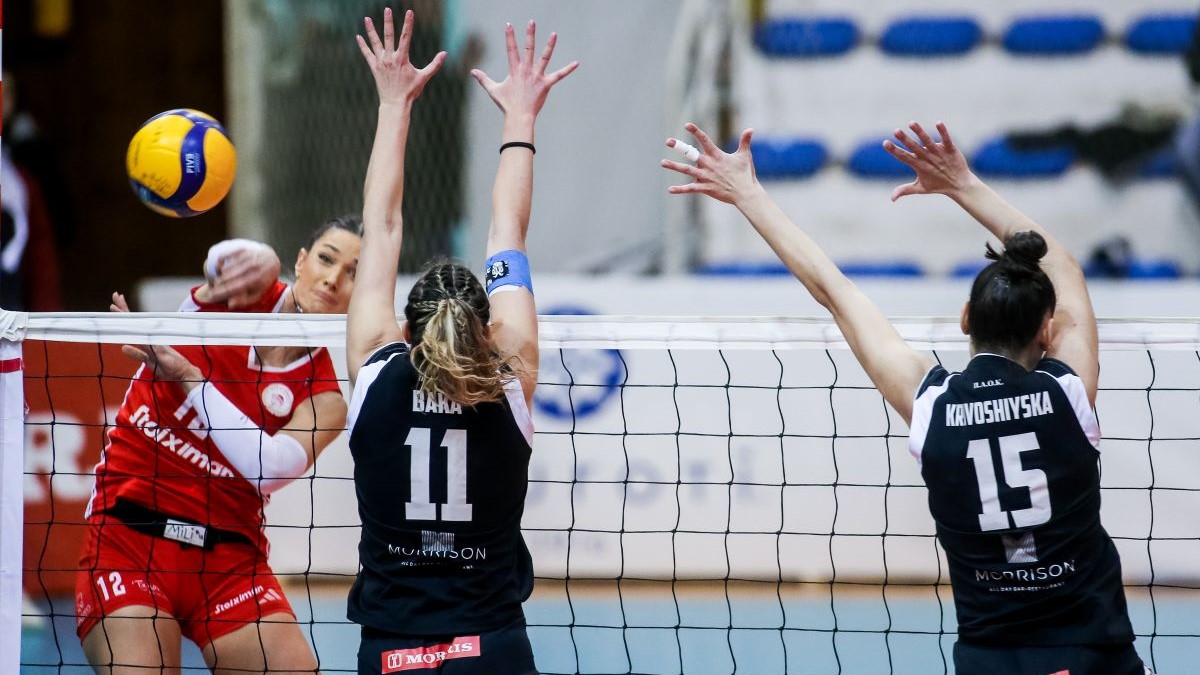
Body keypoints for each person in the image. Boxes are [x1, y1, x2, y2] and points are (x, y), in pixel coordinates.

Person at [661, 121, 1149, 675]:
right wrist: (963, 184)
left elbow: (834, 291)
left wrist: (749, 195)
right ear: (1046, 329)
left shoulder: (933, 406)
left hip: (991, 661)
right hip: (1093, 653)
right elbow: (1063, 267)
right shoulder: (1068, 393)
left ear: (965, 319)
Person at [343, 9, 575, 674]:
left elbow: (382, 226)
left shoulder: (374, 367)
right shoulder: (512, 374)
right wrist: (521, 117)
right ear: (487, 327)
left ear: (405, 330)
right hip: (491, 647)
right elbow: (507, 232)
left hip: (391, 650)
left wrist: (394, 105)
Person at [76, 217, 362, 674]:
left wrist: (190, 380)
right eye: (326, 259)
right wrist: (254, 255)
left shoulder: (326, 400)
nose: (333, 278)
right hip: (129, 536)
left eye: (354, 274)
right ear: (301, 262)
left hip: (230, 561)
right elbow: (220, 267)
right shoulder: (242, 296)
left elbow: (268, 470)